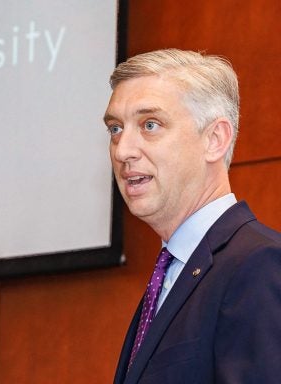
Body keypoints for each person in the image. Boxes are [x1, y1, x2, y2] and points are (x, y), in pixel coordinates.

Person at [103, 48, 281, 383]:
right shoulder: (173, 272)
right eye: (115, 129)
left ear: (215, 139)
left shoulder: (258, 265)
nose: (123, 150)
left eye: (150, 125)